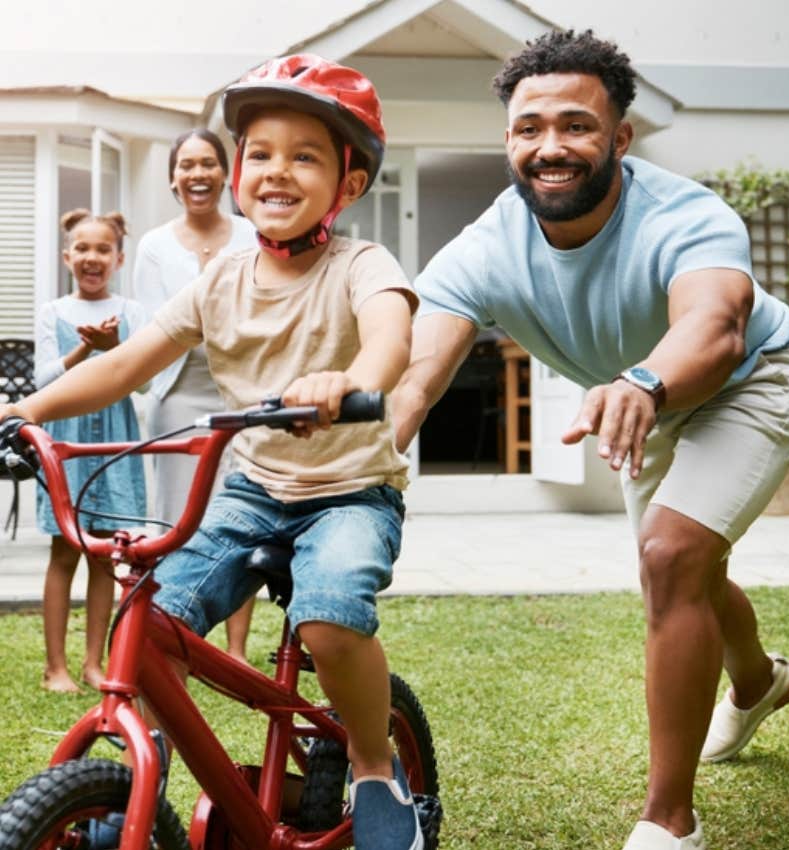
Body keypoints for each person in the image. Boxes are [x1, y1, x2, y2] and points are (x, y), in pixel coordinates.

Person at [392, 29, 789, 850]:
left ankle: (669, 822)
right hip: (641, 400)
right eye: (528, 128)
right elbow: (419, 373)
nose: (550, 148)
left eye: (577, 127)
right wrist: (378, 445)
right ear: (508, 139)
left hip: (748, 381)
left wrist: (643, 383)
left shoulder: (686, 213)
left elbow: (717, 326)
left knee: (669, 557)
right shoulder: (484, 248)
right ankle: (759, 681)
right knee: (685, 567)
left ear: (620, 136)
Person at [2, 54, 423, 850]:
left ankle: (373, 767)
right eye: (260, 152)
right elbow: (127, 362)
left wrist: (351, 379)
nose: (277, 170)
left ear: (350, 185)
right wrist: (27, 407)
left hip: (350, 491)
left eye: (306, 155)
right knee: (154, 622)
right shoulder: (220, 277)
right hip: (254, 486)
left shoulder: (361, 264)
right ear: (236, 173)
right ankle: (140, 775)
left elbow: (391, 337)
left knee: (330, 620)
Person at [132, 128, 257, 664]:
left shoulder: (253, 235)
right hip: (178, 395)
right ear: (173, 178)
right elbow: (152, 325)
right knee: (176, 520)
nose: (197, 174)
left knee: (242, 512)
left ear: (225, 174)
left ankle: (235, 648)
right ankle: (175, 634)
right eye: (187, 165)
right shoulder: (154, 245)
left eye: (207, 163)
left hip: (243, 395)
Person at [35, 209, 147, 693]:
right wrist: (86, 350)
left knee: (107, 556)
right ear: (67, 257)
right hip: (69, 443)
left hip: (114, 443)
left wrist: (116, 345)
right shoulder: (53, 312)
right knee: (65, 552)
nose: (91, 257)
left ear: (118, 258)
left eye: (103, 249)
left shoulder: (132, 311)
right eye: (82, 248)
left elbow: (143, 380)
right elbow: (41, 381)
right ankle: (54, 666)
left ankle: (93, 663)